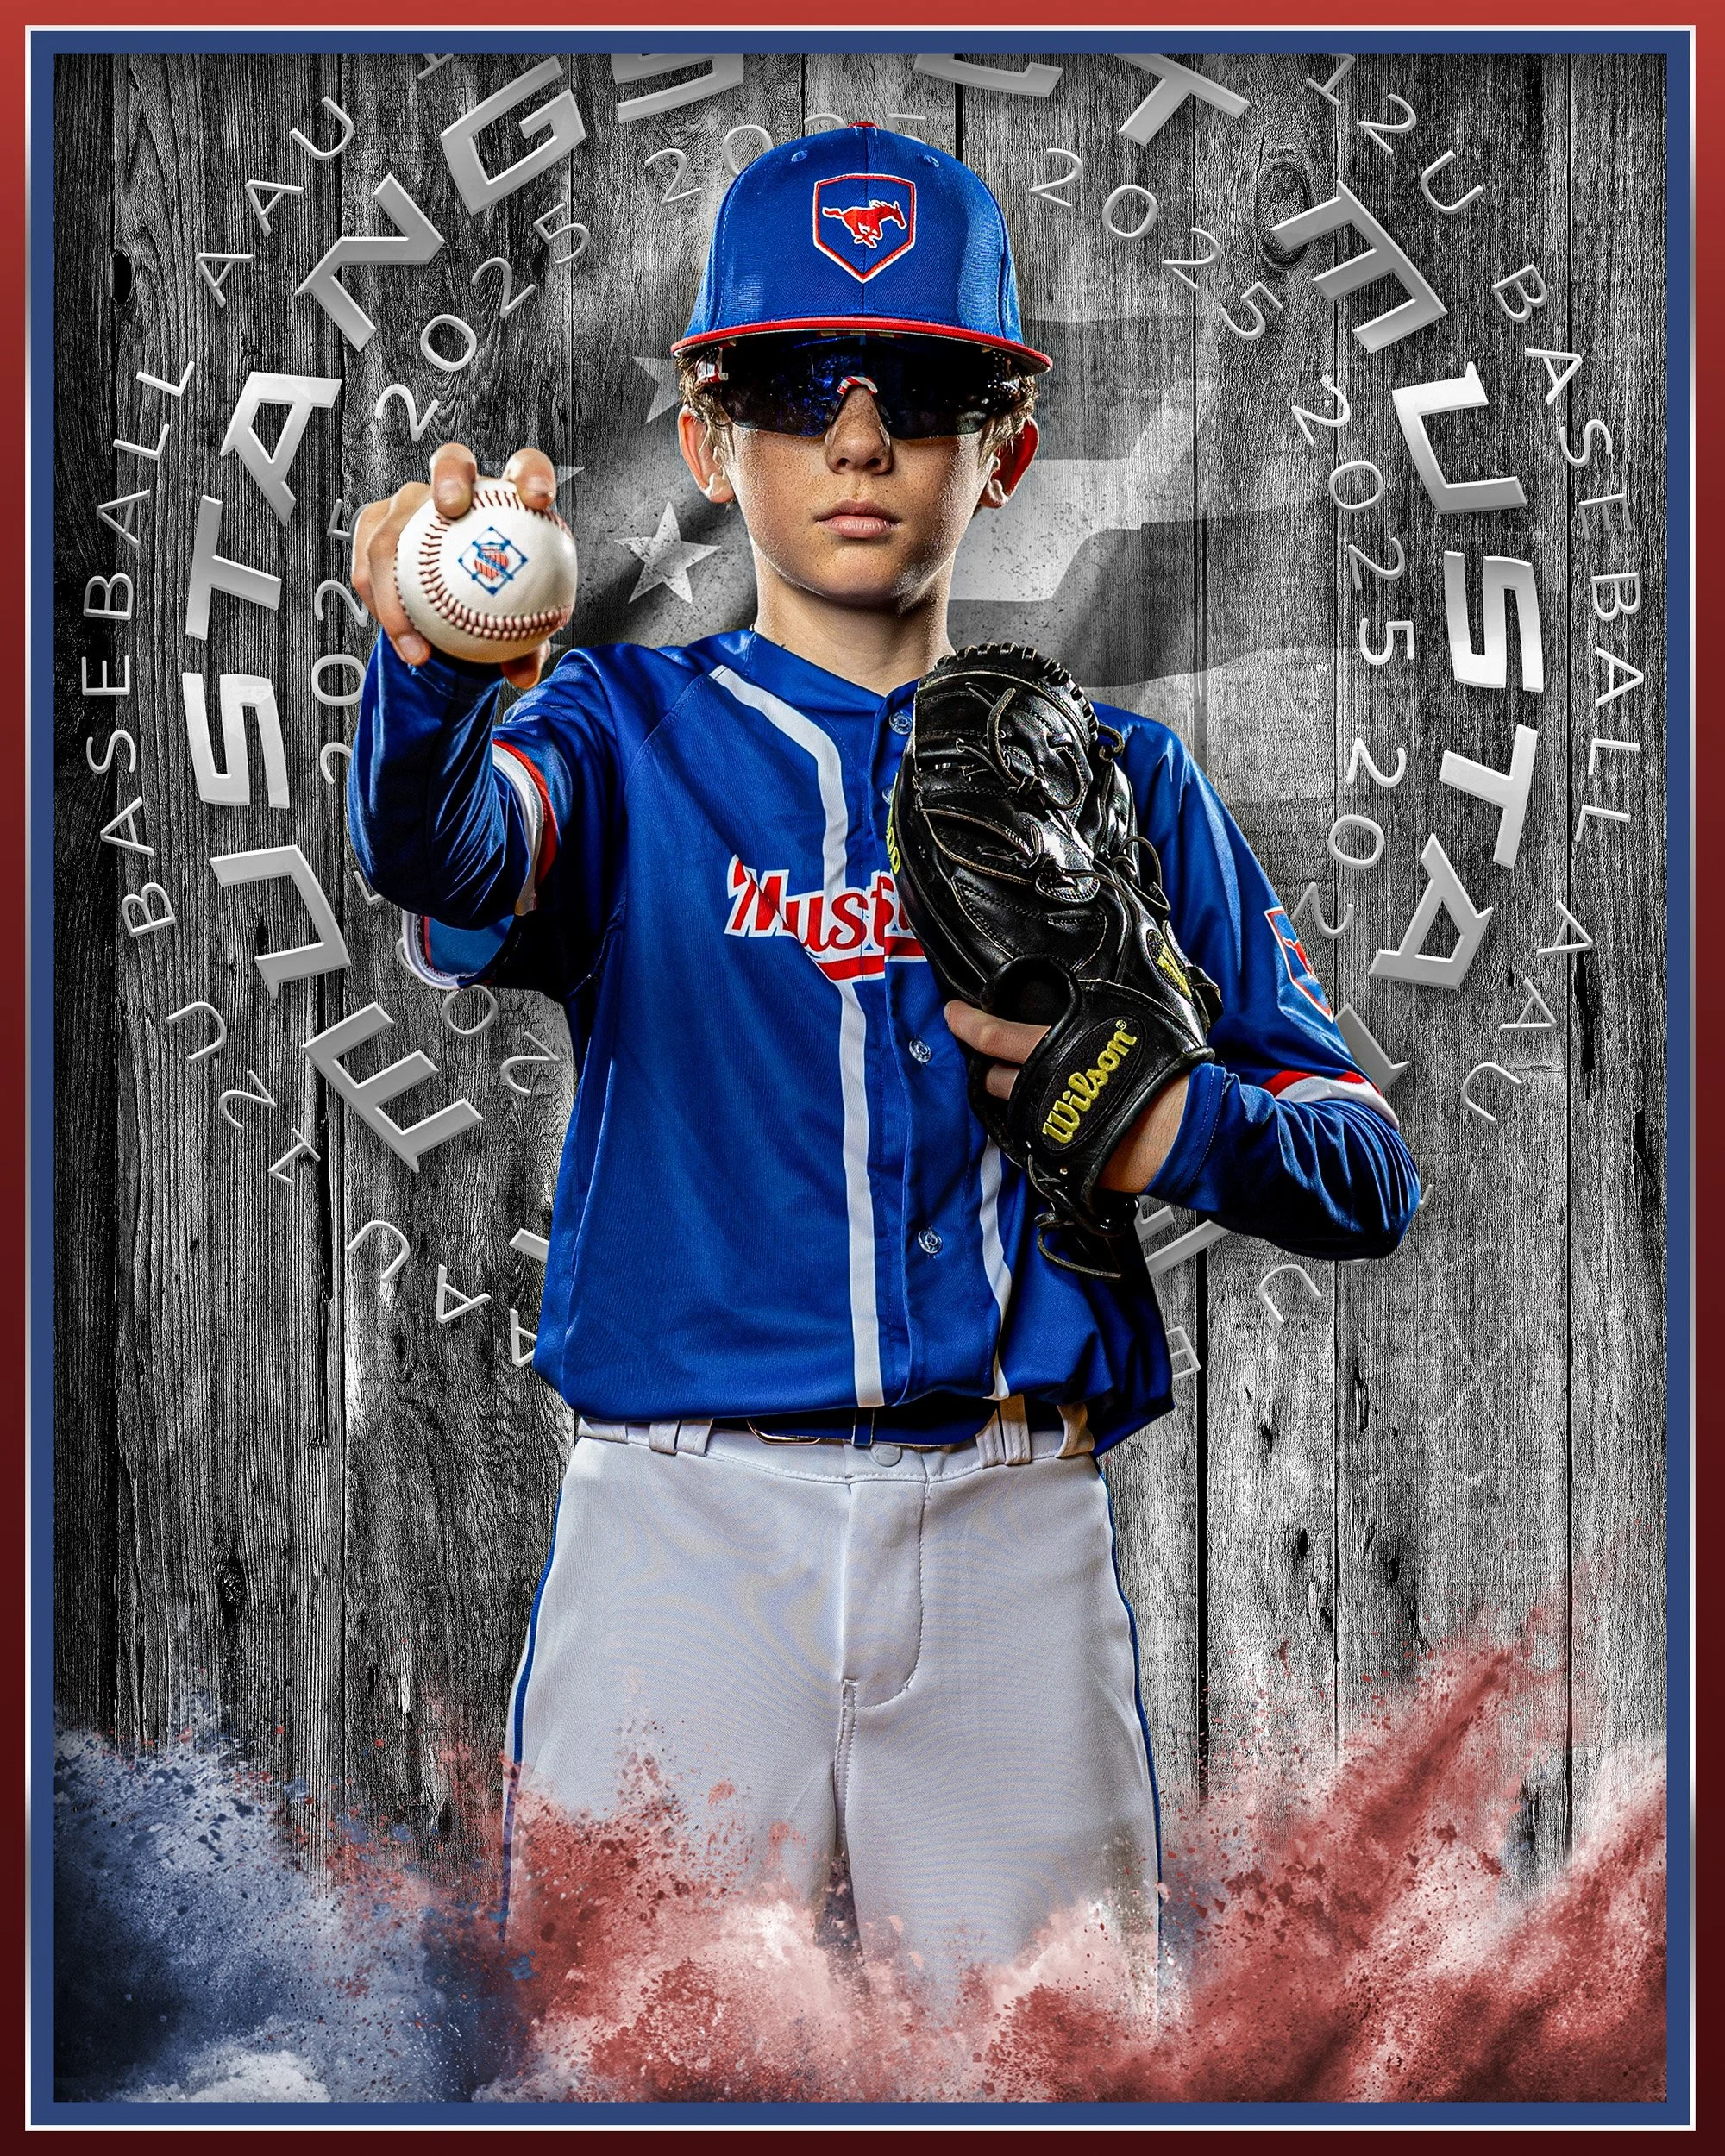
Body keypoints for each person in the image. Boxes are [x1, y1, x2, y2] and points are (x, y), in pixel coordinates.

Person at [345, 124, 1419, 2010]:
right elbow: (443, 849)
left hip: (1008, 1523)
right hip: (682, 1532)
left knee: (1053, 2074)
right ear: (708, 437)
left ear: (1001, 442)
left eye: (917, 388)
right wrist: (434, 666)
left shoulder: (1127, 785)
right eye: (793, 384)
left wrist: (1169, 1115)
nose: (856, 437)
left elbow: (1361, 1160)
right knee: (617, 2073)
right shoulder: (615, 734)